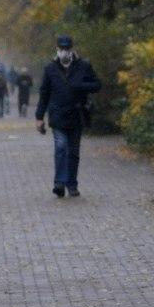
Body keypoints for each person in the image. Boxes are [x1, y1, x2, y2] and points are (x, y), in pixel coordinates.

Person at [35, 35, 101, 197]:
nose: (64, 52)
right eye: (62, 49)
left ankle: (72, 184)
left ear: (72, 49)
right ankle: (59, 183)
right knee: (61, 147)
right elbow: (44, 93)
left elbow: (97, 85)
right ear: (57, 49)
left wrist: (81, 86)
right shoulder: (50, 68)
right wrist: (39, 117)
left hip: (76, 114)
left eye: (67, 49)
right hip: (57, 115)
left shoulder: (83, 66)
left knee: (73, 152)